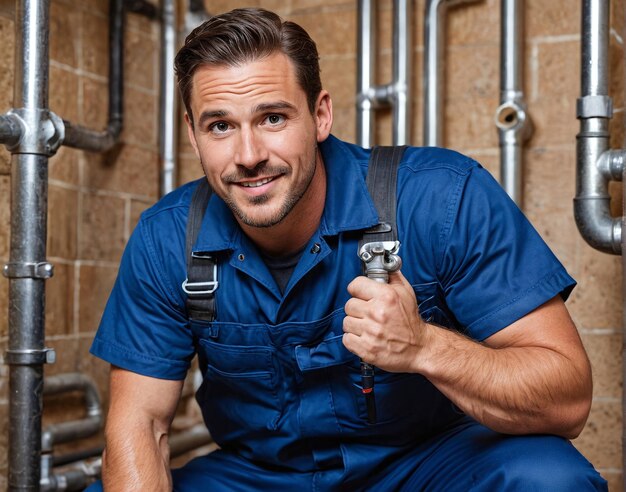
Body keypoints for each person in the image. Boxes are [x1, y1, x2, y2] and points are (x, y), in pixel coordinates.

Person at [87, 7, 607, 491]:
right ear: (194, 136)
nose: (248, 156)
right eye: (220, 125)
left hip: (423, 467)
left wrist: (425, 347)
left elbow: (567, 398)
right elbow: (141, 423)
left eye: (273, 118)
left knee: (547, 477)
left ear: (320, 115)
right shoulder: (167, 238)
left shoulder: (441, 198)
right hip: (263, 477)